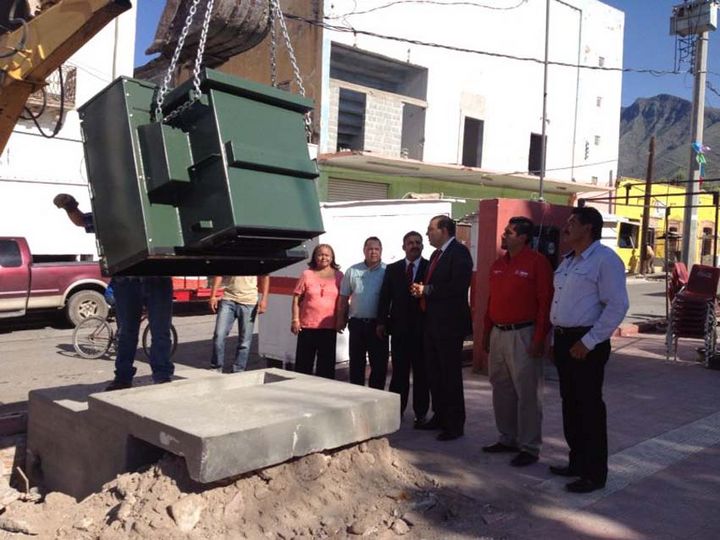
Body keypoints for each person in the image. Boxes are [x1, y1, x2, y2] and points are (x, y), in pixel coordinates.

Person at [53, 193, 174, 390]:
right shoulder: (116, 212)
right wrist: (70, 206)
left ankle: (161, 375)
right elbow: (83, 221)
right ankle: (124, 377)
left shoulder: (156, 208)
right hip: (127, 280)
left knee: (160, 331)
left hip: (156, 279)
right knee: (127, 332)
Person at [549, 206, 629, 494]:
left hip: (586, 343)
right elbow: (559, 304)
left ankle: (594, 474)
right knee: (570, 405)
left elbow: (617, 305)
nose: (566, 227)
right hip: (563, 341)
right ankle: (577, 463)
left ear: (588, 228)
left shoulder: (604, 260)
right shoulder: (568, 261)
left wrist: (590, 341)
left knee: (590, 408)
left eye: (572, 223)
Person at [481, 217, 553, 467]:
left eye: (510, 232)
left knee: (528, 392)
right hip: (499, 333)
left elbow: (545, 303)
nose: (504, 235)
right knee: (501, 388)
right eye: (505, 231)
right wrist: (486, 333)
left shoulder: (537, 262)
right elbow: (491, 302)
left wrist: (539, 337)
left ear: (523, 237)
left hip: (524, 334)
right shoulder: (498, 265)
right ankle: (507, 437)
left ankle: (530, 446)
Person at [411, 215, 473, 441]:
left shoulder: (459, 253)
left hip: (449, 325)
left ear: (444, 230)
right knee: (434, 373)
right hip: (432, 323)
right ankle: (440, 415)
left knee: (449, 374)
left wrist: (427, 290)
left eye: (430, 229)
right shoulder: (437, 255)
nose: (427, 233)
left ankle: (455, 424)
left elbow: (457, 286)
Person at [376, 231, 430, 426]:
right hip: (398, 330)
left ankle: (421, 414)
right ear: (403, 246)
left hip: (422, 331)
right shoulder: (393, 269)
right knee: (399, 374)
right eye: (410, 243)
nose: (414, 245)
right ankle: (395, 413)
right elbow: (385, 298)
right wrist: (381, 322)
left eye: (418, 242)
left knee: (421, 373)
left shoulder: (429, 267)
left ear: (422, 246)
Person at [336, 237, 388, 389]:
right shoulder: (352, 271)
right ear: (364, 250)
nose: (373, 252)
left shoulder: (388, 271)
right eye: (370, 248)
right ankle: (357, 397)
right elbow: (344, 298)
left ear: (381, 251)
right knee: (356, 364)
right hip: (357, 324)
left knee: (379, 365)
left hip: (378, 325)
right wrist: (341, 318)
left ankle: (376, 398)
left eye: (376, 249)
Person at [291, 244, 343, 379]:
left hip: (328, 328)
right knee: (303, 367)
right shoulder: (306, 274)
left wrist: (341, 320)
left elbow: (343, 301)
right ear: (315, 257)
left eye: (327, 255)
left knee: (326, 369)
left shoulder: (339, 276)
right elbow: (296, 299)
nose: (323, 257)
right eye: (320, 254)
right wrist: (295, 320)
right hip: (307, 327)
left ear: (332, 258)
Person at [209, 274, 269, 373]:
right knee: (219, 335)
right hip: (228, 299)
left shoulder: (257, 259)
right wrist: (213, 295)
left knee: (244, 341)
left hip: (249, 302)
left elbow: (265, 276)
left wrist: (264, 299)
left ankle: (238, 369)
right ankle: (216, 367)